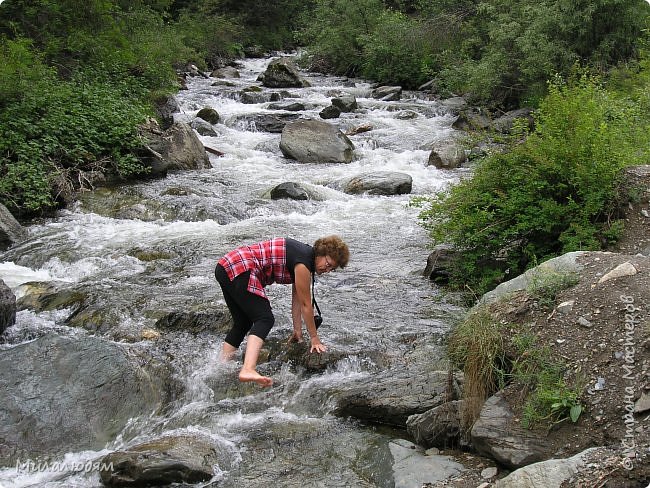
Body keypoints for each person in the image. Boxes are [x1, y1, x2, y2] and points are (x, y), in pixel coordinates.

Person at [215, 235, 349, 387]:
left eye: (332, 268)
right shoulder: (303, 264)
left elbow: (297, 297)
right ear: (321, 253)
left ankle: (223, 366)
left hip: (226, 265)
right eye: (328, 263)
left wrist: (297, 331)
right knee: (264, 319)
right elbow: (306, 305)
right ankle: (248, 369)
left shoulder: (303, 258)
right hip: (240, 266)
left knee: (242, 322)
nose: (328, 269)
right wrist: (314, 338)